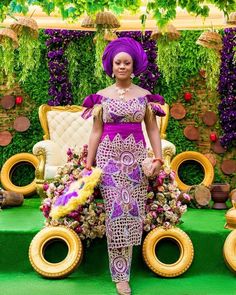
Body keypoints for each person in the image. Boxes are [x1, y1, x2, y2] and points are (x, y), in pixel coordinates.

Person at [82, 37, 165, 295]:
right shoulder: (102, 98)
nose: (122, 66)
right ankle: (120, 276)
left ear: (134, 65)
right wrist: (88, 163)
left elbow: (152, 128)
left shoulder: (144, 97)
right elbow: (96, 132)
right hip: (108, 160)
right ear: (111, 65)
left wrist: (158, 158)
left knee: (131, 213)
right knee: (116, 212)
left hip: (136, 160)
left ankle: (125, 270)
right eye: (117, 62)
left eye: (126, 63)